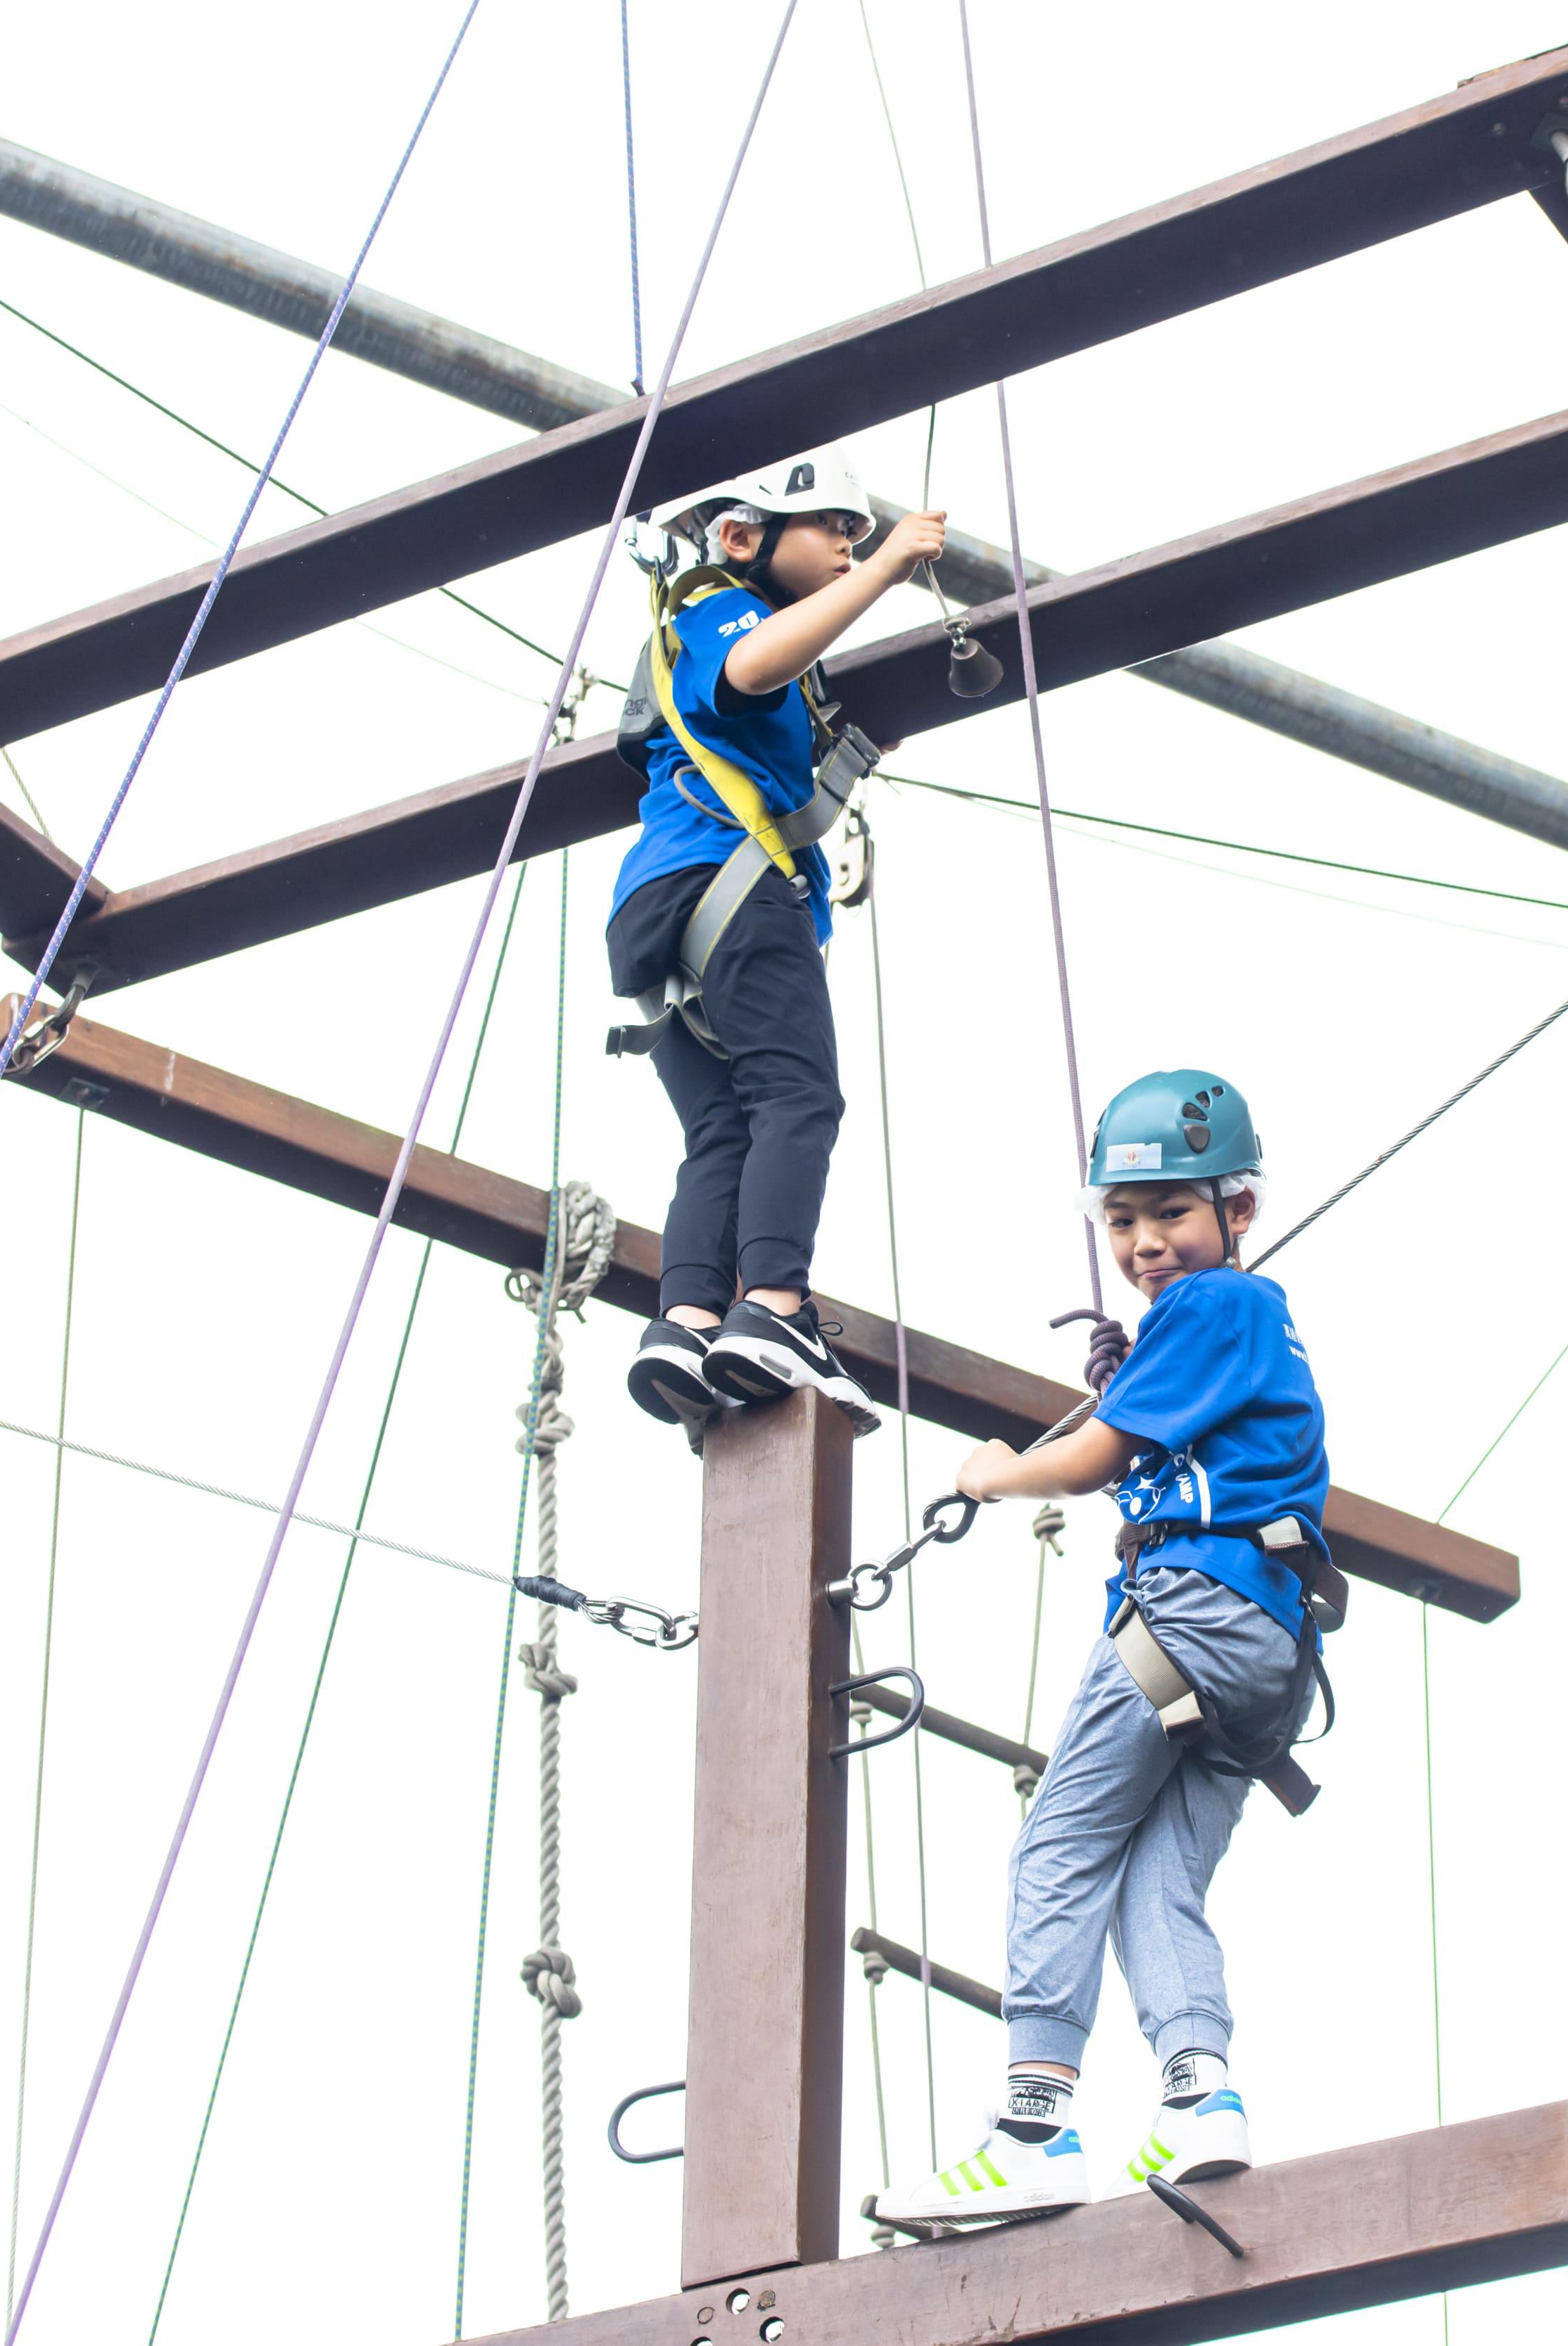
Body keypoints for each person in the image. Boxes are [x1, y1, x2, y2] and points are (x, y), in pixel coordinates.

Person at [867, 1071, 1335, 2232]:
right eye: (1121, 1220)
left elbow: (1088, 1459)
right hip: (1267, 1652)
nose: (1145, 1243)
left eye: (1170, 1212)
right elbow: (1149, 1428)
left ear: (1239, 1207)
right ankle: (1199, 2096)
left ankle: (1033, 2124)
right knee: (1155, 1880)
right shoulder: (1228, 1328)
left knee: (1059, 1843)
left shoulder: (1220, 1305)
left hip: (1192, 1609)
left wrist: (994, 1469)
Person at [606, 450, 944, 1440]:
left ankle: (688, 1316)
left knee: (724, 1130)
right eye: (833, 531)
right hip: (733, 891)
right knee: (800, 1096)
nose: (849, 548)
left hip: (665, 911)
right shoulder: (717, 609)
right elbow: (755, 666)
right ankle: (775, 1309)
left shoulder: (731, 638)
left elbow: (766, 726)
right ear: (747, 538)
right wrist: (889, 570)